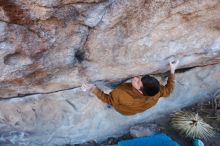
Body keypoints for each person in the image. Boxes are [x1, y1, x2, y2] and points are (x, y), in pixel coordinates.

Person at [81, 60, 179, 115]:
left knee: (115, 103)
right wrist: (172, 70)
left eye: (138, 82)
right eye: (140, 77)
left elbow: (109, 99)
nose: (136, 77)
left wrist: (93, 88)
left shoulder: (121, 92)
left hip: (124, 110)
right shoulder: (157, 91)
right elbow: (169, 90)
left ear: (141, 92)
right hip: (138, 109)